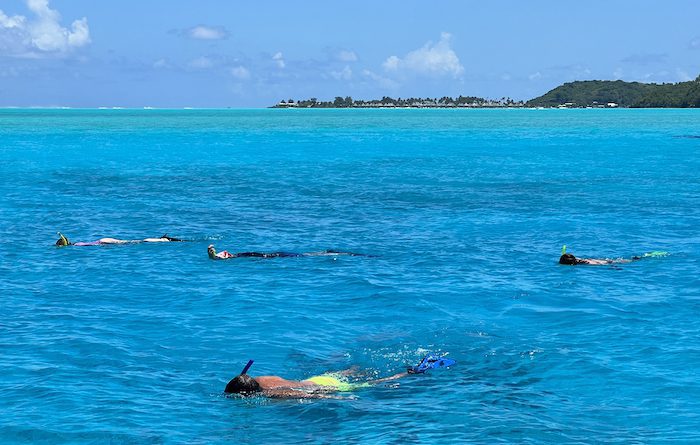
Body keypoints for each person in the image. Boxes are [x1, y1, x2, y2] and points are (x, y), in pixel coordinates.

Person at [224, 356, 455, 399]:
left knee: (375, 383)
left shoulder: (274, 394)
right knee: (354, 371)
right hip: (322, 377)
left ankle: (412, 373)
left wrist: (337, 398)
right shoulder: (264, 378)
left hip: (327, 386)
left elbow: (308, 395)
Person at [207, 244, 364, 260]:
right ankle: (332, 252)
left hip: (279, 256)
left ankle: (333, 252)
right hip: (279, 255)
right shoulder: (241, 255)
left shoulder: (241, 256)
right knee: (308, 255)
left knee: (306, 255)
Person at [558, 245, 667, 266]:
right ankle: (645, 256)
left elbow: (599, 265)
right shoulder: (579, 260)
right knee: (632, 260)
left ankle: (648, 256)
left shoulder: (583, 264)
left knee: (634, 261)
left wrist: (613, 267)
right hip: (606, 260)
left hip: (607, 263)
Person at [55, 232, 183, 246]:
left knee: (136, 242)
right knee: (135, 242)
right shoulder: (76, 244)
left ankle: (163, 240)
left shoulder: (76, 245)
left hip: (104, 242)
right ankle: (163, 239)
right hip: (103, 240)